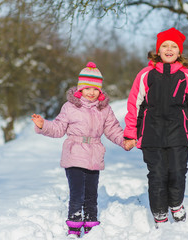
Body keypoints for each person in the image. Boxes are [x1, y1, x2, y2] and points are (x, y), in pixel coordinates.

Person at [123, 28, 188, 228]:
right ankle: (160, 213)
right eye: (165, 45)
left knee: (177, 172)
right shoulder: (146, 75)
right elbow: (134, 105)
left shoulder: (186, 77)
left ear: (179, 52)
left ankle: (175, 204)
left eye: (173, 46)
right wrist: (131, 134)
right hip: (151, 135)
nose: (169, 49)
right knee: (157, 175)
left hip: (178, 135)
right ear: (158, 50)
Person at [32, 62, 127, 238]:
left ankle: (91, 225)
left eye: (95, 89)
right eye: (87, 88)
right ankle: (74, 226)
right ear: (80, 89)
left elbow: (113, 129)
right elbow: (58, 128)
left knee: (91, 194)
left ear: (100, 90)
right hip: (74, 154)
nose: (91, 92)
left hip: (94, 156)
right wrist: (43, 125)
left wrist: (125, 141)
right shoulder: (70, 107)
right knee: (77, 193)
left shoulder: (104, 109)